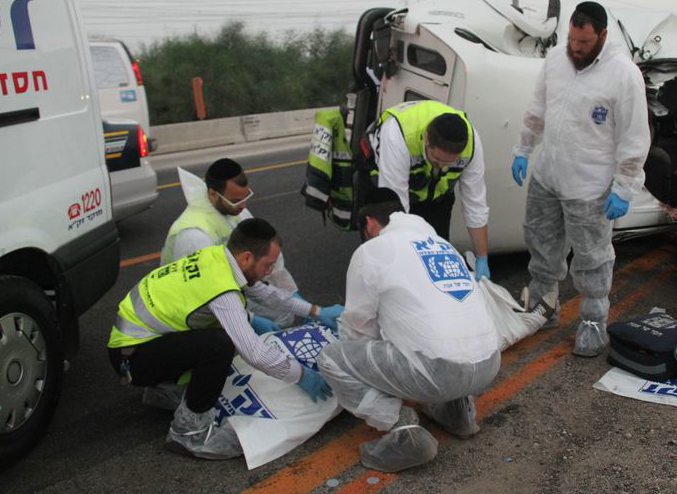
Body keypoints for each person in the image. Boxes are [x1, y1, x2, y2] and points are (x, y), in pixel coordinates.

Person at [107, 218, 334, 460]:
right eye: (268, 265)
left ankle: (166, 391)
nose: (270, 272)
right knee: (219, 344)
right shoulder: (222, 287)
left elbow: (266, 293)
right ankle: (188, 434)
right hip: (132, 358)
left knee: (223, 333)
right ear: (247, 257)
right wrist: (300, 375)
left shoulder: (217, 257)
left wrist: (316, 311)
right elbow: (254, 352)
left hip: (138, 343)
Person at [317, 188, 500, 473]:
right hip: (489, 363)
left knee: (331, 357)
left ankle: (402, 429)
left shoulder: (371, 251)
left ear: (368, 223)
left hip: (441, 373)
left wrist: (362, 376)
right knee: (439, 333)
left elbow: (357, 330)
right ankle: (460, 416)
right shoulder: (440, 243)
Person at [510, 1, 650, 358]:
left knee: (591, 256)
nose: (576, 48)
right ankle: (544, 306)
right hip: (549, 175)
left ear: (602, 36)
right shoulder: (556, 59)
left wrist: (623, 187)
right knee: (541, 242)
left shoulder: (623, 74)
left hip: (589, 185)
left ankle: (592, 320)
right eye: (572, 39)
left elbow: (633, 138)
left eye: (584, 42)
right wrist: (524, 148)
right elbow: (538, 107)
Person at [161, 158, 343, 330]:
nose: (243, 205)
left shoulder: (235, 210)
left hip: (228, 287)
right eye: (236, 200)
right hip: (191, 312)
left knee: (282, 312)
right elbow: (206, 296)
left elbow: (266, 266)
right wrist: (250, 320)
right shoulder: (193, 235)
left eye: (245, 197)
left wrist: (298, 299)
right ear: (212, 194)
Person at [365, 100, 492, 281]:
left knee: (436, 257)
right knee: (390, 261)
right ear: (426, 139)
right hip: (387, 187)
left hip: (433, 193)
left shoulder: (472, 144)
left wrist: (482, 257)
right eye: (437, 159)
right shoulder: (398, 135)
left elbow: (475, 204)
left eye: (449, 163)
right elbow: (395, 212)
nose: (442, 166)